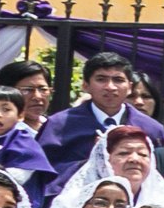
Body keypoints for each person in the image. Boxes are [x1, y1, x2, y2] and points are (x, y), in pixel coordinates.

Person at [31, 50, 147, 183]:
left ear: (130, 87)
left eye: (118, 80)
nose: (110, 87)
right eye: (101, 79)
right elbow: (41, 173)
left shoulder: (150, 128)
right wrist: (92, 161)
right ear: (85, 85)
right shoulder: (58, 125)